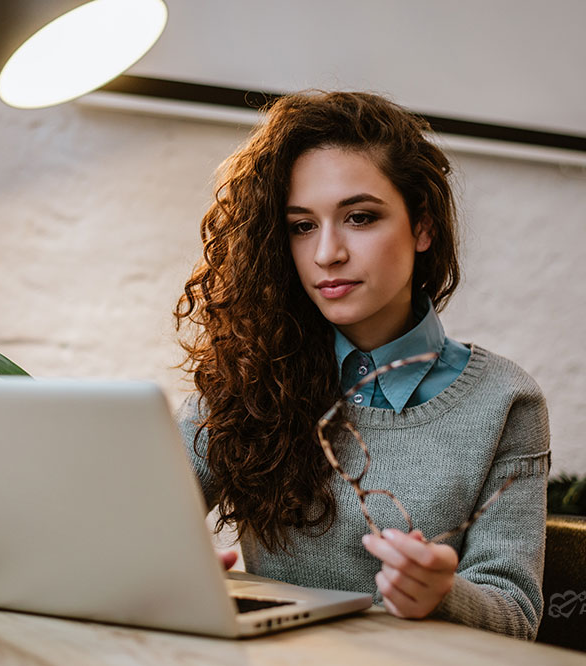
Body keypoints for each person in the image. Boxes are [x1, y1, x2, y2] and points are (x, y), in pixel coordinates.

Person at [174, 91, 551, 640]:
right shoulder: (247, 377)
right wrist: (171, 571)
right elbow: (133, 524)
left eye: (359, 217)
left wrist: (445, 595)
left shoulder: (506, 401)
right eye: (302, 225)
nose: (327, 252)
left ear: (422, 227)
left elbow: (516, 614)